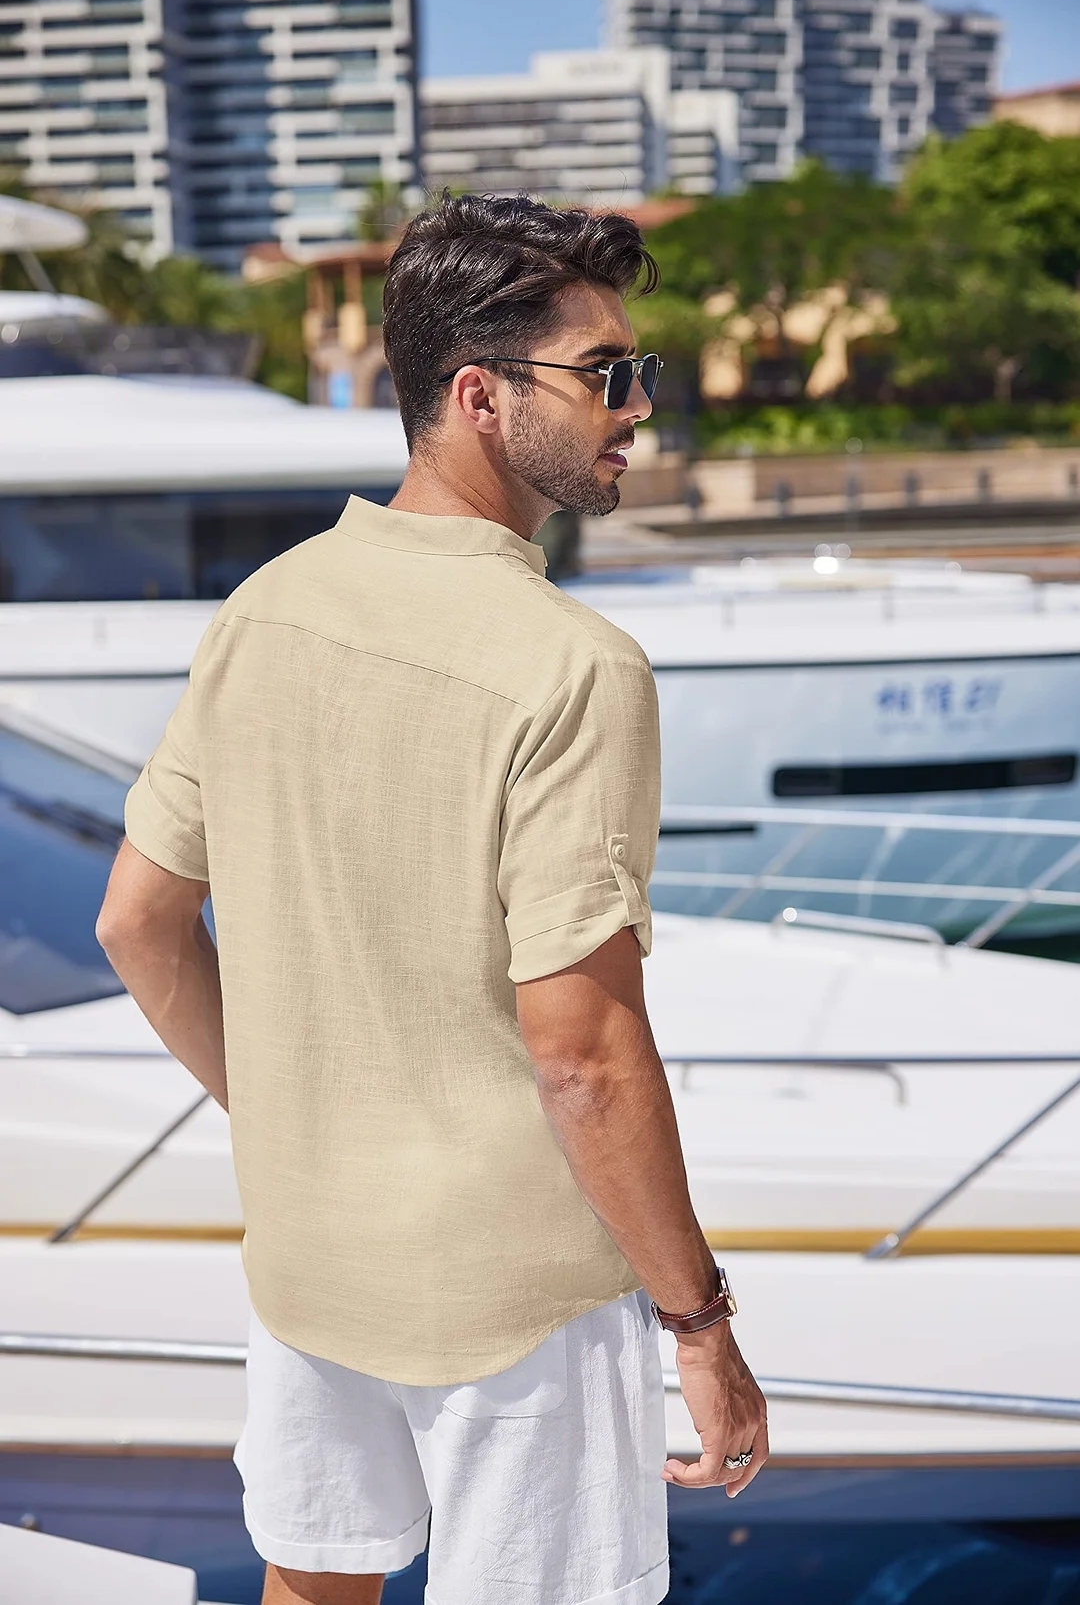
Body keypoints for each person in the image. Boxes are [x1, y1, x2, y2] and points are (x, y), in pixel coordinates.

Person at [97, 193, 768, 1605]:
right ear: (479, 395)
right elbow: (584, 1058)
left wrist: (296, 1118)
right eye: (606, 374)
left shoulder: (266, 609)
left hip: (311, 1255)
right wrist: (699, 1323)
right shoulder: (571, 665)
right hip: (518, 1291)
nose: (638, 407)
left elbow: (136, 925)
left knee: (313, 1583)